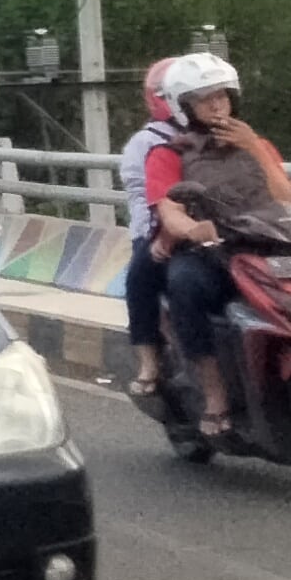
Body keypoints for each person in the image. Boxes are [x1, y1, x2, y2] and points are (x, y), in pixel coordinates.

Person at [145, 55, 291, 437]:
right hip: (212, 255)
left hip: (266, 246)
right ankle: (214, 393)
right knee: (184, 284)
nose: (216, 105)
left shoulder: (259, 145)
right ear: (185, 107)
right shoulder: (169, 153)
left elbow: (287, 200)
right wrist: (195, 230)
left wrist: (255, 149)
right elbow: (169, 210)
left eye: (222, 96)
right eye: (204, 98)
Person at [116, 61, 182, 370]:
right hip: (158, 228)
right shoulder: (147, 142)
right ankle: (149, 361)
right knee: (139, 278)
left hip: (218, 229)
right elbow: (144, 199)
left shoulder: (223, 135)